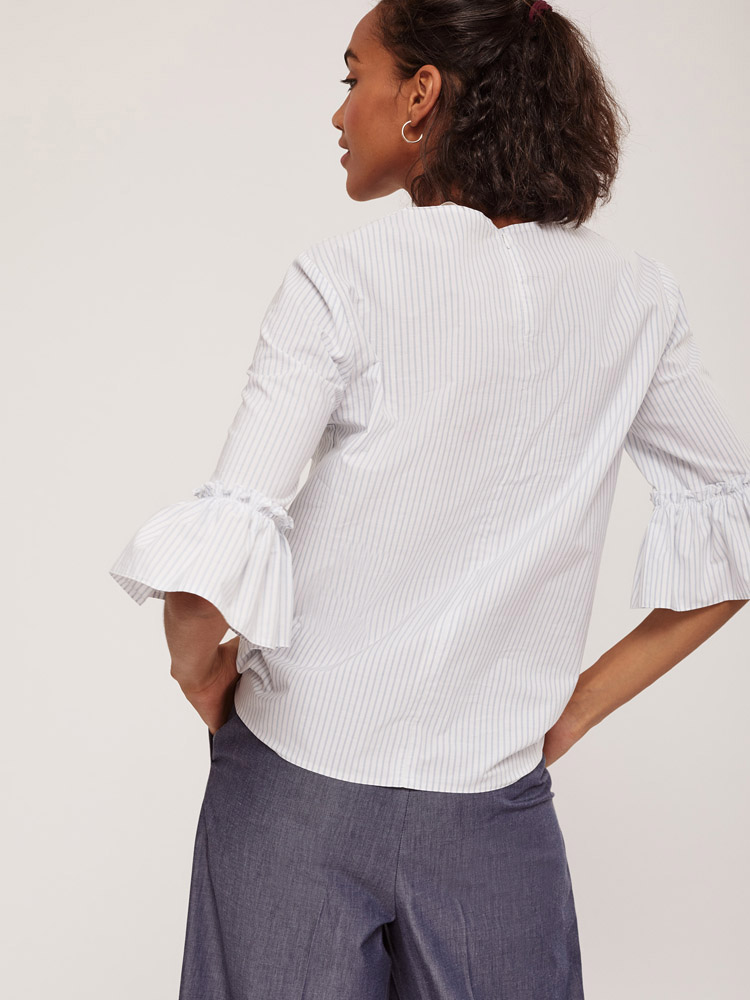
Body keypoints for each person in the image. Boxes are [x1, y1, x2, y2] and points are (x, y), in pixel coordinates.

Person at [109, 1, 750, 997]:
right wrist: (570, 711)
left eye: (352, 76)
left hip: (292, 792)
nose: (340, 112)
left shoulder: (343, 279)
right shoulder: (638, 299)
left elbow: (213, 566)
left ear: (420, 95)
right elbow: (734, 518)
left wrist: (200, 675)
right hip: (493, 814)